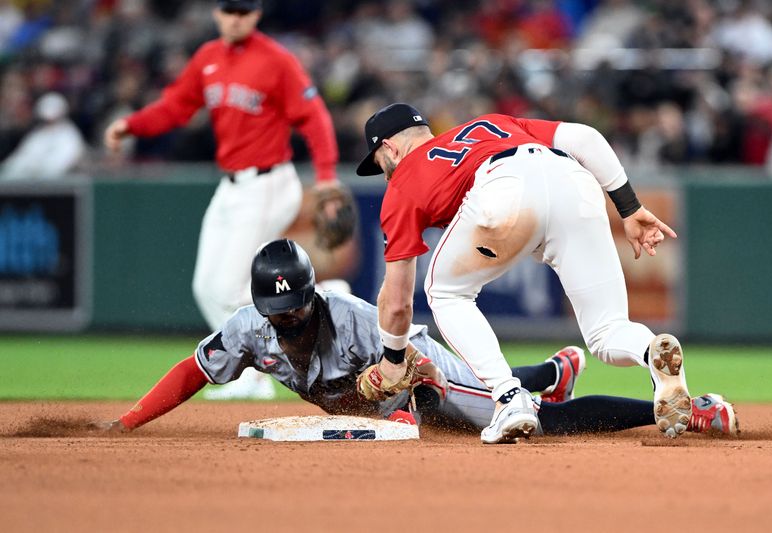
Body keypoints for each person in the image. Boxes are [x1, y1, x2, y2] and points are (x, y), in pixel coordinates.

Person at [92, 240, 738, 439]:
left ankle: (678, 407)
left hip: (421, 368)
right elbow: (192, 371)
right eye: (275, 310)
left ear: (313, 294)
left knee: (537, 423)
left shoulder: (352, 317)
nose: (285, 320)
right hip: (383, 397)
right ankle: (549, 367)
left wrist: (401, 415)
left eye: (294, 307)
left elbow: (413, 382)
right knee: (491, 396)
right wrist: (129, 420)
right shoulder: (246, 327)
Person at [355, 103, 689, 444]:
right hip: (573, 181)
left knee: (445, 293)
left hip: (505, 187)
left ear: (390, 147)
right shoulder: (491, 124)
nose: (384, 175)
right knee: (607, 331)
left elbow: (396, 303)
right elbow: (586, 138)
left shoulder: (403, 183)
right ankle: (651, 349)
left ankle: (510, 399)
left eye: (380, 164)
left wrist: (393, 357)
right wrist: (630, 208)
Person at [103, 0, 340, 399]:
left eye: (244, 11)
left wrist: (328, 179)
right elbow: (176, 107)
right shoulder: (208, 57)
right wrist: (132, 125)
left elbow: (313, 117)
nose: (236, 18)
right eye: (229, 10)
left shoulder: (277, 60)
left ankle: (318, 310)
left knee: (231, 286)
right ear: (216, 13)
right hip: (231, 186)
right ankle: (264, 359)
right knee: (206, 287)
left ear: (258, 14)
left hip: (268, 181)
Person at [0, 92, 86, 180]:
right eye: (46, 120)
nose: (49, 122)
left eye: (53, 119)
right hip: (29, 184)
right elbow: (22, 158)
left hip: (57, 186)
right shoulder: (37, 134)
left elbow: (61, 163)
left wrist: (35, 172)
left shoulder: (69, 135)